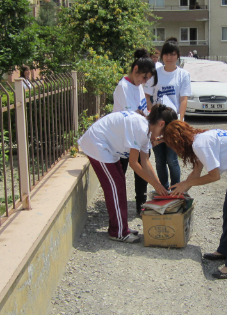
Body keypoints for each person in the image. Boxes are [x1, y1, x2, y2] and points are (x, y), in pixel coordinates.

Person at [164, 122, 227, 279]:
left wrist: (187, 184)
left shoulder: (199, 144)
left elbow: (214, 176)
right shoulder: (197, 141)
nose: (175, 151)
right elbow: (196, 173)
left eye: (172, 146)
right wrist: (179, 192)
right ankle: (224, 250)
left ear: (177, 140)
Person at [77, 104, 177, 243]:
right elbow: (134, 163)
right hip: (97, 144)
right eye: (166, 132)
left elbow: (145, 161)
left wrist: (158, 185)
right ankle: (118, 232)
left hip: (108, 148)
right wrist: (155, 183)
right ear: (161, 124)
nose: (162, 136)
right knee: (115, 187)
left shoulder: (146, 130)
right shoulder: (140, 127)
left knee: (119, 184)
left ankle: (120, 227)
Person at [113, 49, 158, 214]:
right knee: (121, 173)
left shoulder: (138, 86)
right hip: (123, 138)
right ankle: (118, 208)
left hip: (137, 135)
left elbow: (142, 110)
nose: (144, 81)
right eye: (144, 77)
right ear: (136, 69)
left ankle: (141, 204)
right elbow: (132, 115)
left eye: (147, 79)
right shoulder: (123, 86)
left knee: (142, 171)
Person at [144, 40, 191, 190]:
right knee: (159, 159)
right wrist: (153, 115)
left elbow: (183, 99)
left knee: (172, 159)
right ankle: (163, 190)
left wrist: (180, 121)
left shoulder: (183, 74)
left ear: (177, 56)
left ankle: (175, 190)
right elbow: (147, 96)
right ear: (162, 55)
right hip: (157, 123)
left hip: (173, 123)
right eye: (166, 54)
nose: (169, 57)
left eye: (173, 54)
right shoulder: (155, 73)